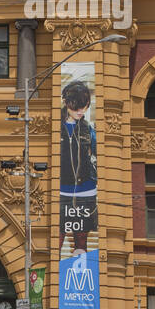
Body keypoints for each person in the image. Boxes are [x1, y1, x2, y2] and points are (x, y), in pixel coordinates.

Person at [58, 79, 98, 256]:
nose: (81, 112)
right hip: (61, 191)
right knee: (57, 239)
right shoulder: (56, 128)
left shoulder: (88, 129)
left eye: (85, 107)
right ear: (67, 103)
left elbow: (98, 152)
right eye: (77, 107)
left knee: (81, 241)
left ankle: (79, 275)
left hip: (85, 191)